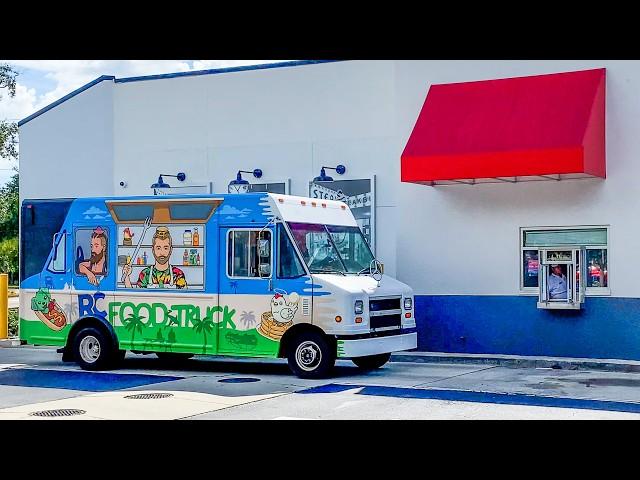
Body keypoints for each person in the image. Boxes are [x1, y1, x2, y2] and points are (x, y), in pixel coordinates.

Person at [123, 226, 187, 289]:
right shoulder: (145, 274)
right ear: (153, 250)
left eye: (166, 248)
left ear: (171, 250)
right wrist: (126, 278)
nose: (162, 252)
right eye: (158, 248)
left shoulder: (178, 274)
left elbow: (185, 298)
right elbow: (137, 298)